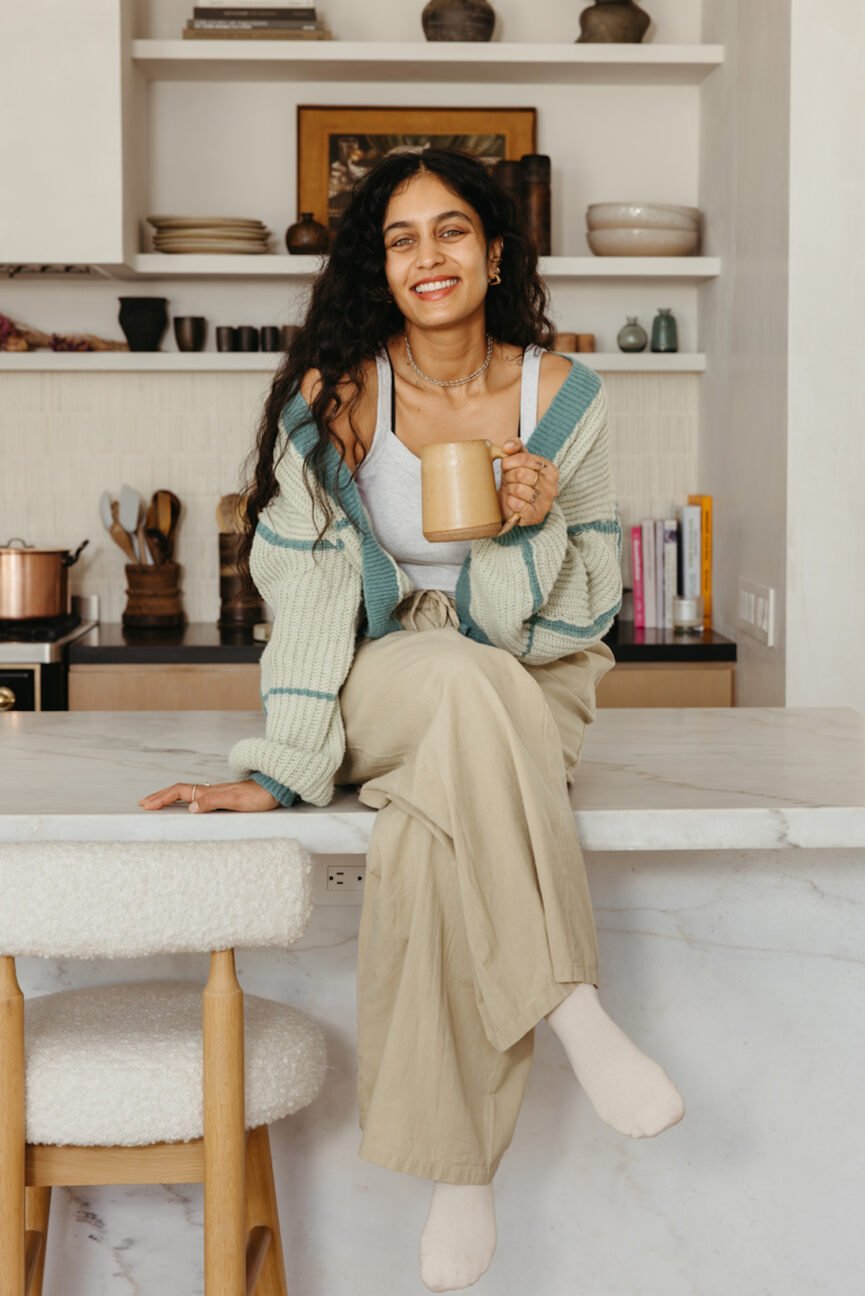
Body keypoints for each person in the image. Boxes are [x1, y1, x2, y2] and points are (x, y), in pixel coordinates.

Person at [140, 148, 685, 1293]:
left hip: (531, 678)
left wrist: (526, 533)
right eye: (400, 238)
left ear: (494, 254)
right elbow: (308, 596)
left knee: (438, 818)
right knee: (445, 677)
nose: (426, 257)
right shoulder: (337, 401)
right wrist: (285, 768)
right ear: (378, 267)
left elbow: (590, 604)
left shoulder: (565, 398)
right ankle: (572, 1006)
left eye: (449, 233)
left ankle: (461, 1172)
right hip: (389, 674)